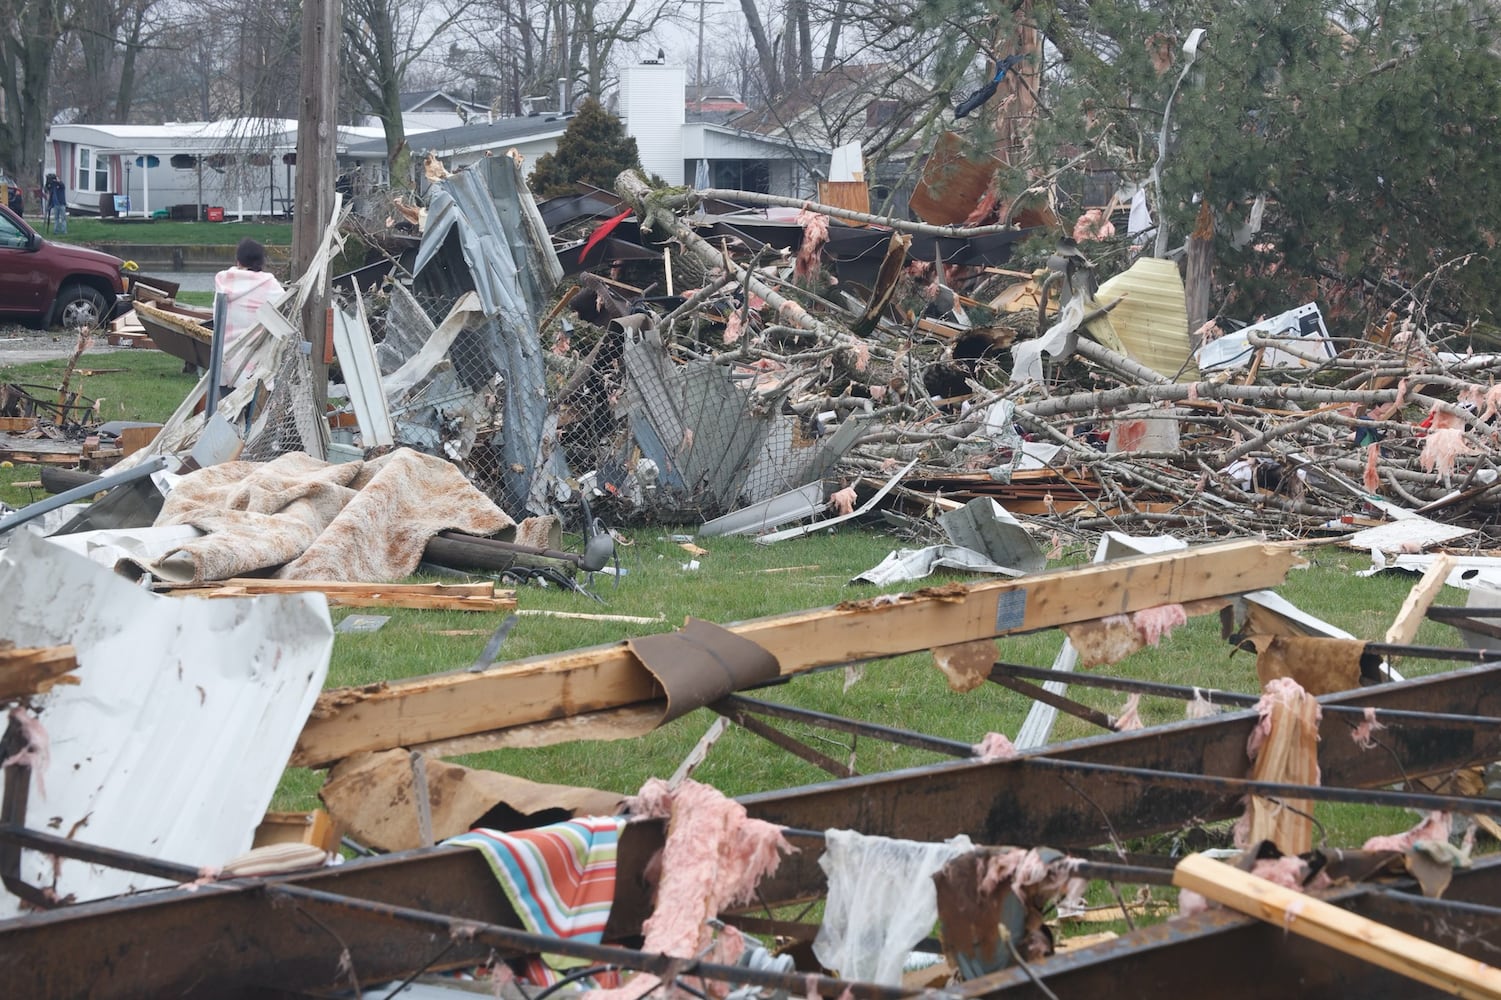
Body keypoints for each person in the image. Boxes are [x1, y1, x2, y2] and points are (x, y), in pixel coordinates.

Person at [212, 238, 284, 383]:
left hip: (223, 360)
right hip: (254, 363)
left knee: (225, 403)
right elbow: (285, 310)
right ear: (262, 261)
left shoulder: (224, 282)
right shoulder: (269, 284)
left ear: (238, 260)